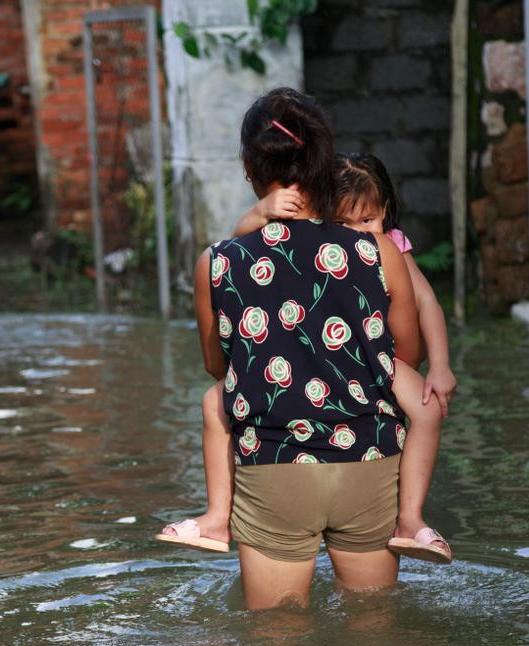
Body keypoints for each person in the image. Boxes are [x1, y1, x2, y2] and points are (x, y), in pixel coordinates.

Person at [161, 87, 421, 610]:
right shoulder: (376, 253)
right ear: (325, 163)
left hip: (274, 468)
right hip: (367, 463)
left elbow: (219, 366)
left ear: (247, 167)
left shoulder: (217, 262)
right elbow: (404, 357)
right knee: (376, 637)